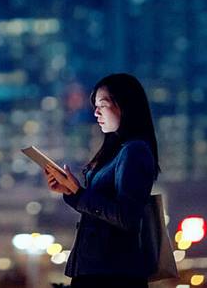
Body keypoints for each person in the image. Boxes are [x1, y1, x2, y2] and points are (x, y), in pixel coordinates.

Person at [44, 73, 161, 288]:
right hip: (98, 269)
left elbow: (126, 216)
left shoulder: (134, 151)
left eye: (103, 105)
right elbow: (100, 208)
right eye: (95, 106)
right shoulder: (117, 150)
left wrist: (79, 194)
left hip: (113, 274)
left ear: (125, 106)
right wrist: (70, 191)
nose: (96, 112)